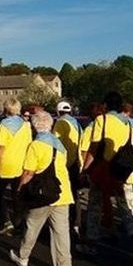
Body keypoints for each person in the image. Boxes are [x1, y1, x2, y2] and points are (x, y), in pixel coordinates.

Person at [80, 91, 133, 263]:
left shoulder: (102, 120)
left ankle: (90, 243)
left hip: (104, 171)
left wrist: (85, 169)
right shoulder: (130, 123)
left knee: (95, 207)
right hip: (124, 173)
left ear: (105, 105)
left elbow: (94, 147)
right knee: (128, 211)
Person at [9, 111, 75, 266]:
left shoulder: (36, 145)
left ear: (34, 125)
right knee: (61, 231)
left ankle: (23, 256)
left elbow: (29, 172)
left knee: (33, 225)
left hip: (42, 193)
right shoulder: (59, 145)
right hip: (62, 191)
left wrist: (20, 189)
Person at [0, 98, 32, 236]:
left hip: (6, 163)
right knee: (17, 194)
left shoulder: (3, 126)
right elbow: (29, 144)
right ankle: (18, 222)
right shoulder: (26, 125)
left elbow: (0, 146)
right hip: (21, 163)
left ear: (6, 109)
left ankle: (6, 221)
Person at [53, 101, 84, 236]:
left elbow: (55, 142)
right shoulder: (77, 124)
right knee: (75, 194)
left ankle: (64, 223)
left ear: (58, 112)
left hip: (64, 164)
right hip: (76, 163)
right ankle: (77, 222)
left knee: (63, 194)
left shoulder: (60, 123)